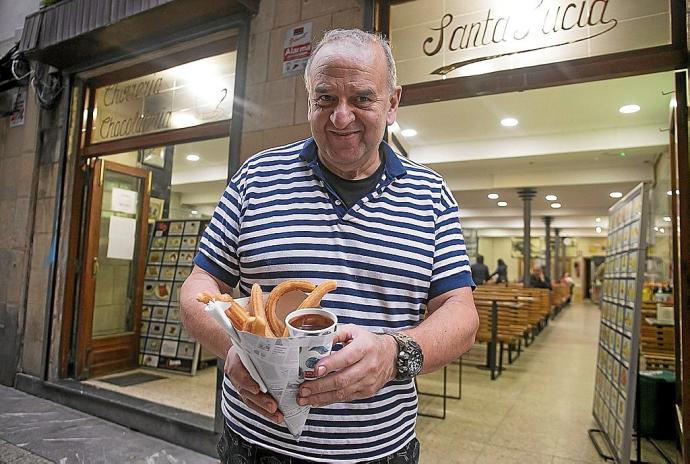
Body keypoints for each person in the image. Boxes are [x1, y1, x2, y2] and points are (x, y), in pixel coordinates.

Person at [179, 29, 479, 464]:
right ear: (309, 103)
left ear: (392, 103)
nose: (341, 118)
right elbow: (199, 285)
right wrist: (232, 348)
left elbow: (461, 312)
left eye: (361, 99)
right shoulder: (256, 178)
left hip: (380, 452)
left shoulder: (431, 195)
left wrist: (396, 355)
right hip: (256, 447)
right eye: (325, 100)